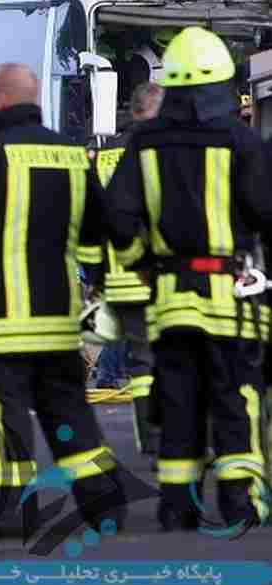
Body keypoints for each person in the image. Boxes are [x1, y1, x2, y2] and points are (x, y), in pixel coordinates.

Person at [0, 63, 127, 540]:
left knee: (5, 416)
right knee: (69, 411)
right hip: (58, 318)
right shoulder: (69, 154)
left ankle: (7, 512)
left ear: (0, 98)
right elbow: (98, 227)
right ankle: (105, 501)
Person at [105, 28, 272, 531]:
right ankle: (241, 504)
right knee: (235, 397)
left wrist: (142, 262)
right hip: (232, 297)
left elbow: (117, 219)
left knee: (177, 401)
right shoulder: (240, 142)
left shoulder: (144, 143)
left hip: (172, 299)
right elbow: (266, 212)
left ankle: (177, 506)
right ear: (224, 83)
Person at [90, 82, 165, 460]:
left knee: (141, 360)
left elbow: (94, 212)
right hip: (161, 270)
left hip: (117, 271)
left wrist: (95, 272)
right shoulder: (163, 148)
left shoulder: (103, 152)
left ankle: (149, 437)